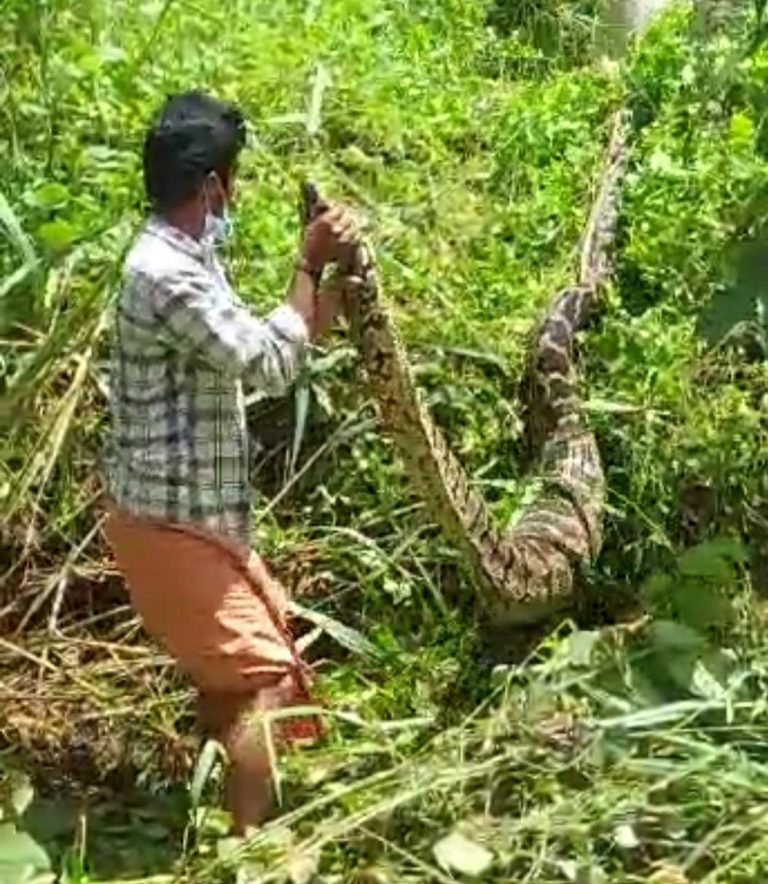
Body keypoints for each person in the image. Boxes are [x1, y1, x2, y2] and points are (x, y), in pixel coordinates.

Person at [102, 91, 359, 833]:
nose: (235, 193)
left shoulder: (191, 255)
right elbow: (266, 362)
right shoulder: (163, 272)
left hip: (200, 524)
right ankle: (250, 853)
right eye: (233, 178)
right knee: (269, 684)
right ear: (214, 185)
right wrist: (306, 262)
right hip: (169, 527)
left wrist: (321, 297)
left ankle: (217, 814)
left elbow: (266, 338)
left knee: (255, 670)